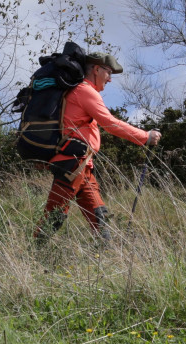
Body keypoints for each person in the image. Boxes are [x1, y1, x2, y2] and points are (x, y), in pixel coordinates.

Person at [34, 52, 162, 242]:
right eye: (108, 72)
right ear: (96, 69)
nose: (110, 79)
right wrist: (145, 137)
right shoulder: (84, 91)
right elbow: (110, 124)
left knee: (98, 213)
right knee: (55, 214)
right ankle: (35, 253)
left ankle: (106, 252)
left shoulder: (79, 91)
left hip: (82, 164)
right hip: (72, 163)